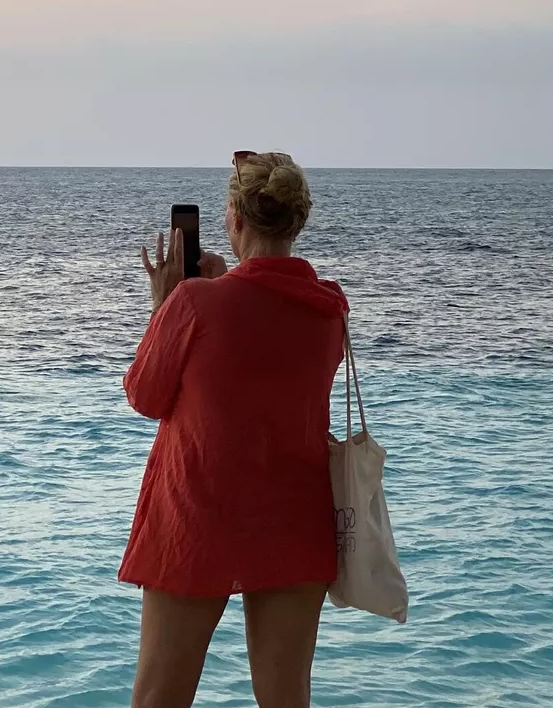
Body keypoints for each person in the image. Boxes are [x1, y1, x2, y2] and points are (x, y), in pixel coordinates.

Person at [123, 151, 347, 708]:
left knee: (159, 698)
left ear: (235, 220)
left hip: (199, 517)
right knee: (286, 700)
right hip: (295, 520)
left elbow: (145, 396)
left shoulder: (194, 301)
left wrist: (165, 305)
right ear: (296, 223)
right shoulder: (329, 307)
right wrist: (227, 283)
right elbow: (262, 347)